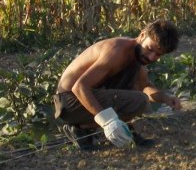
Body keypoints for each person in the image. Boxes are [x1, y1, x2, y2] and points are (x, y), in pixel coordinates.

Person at [54, 19, 182, 150]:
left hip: (85, 97)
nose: (151, 57)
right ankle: (81, 129)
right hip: (69, 101)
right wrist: (108, 122)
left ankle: (88, 129)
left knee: (137, 93)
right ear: (142, 35)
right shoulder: (117, 51)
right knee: (139, 100)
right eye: (150, 49)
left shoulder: (137, 57)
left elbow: (144, 87)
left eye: (158, 55)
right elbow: (79, 87)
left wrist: (166, 98)